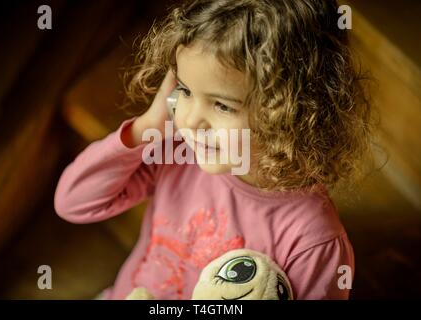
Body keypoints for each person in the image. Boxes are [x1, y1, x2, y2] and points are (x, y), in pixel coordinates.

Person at [54, 0, 376, 299]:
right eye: (185, 89)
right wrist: (147, 127)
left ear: (292, 112)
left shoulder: (311, 239)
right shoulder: (178, 154)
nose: (192, 120)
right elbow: (73, 202)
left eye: (222, 105)